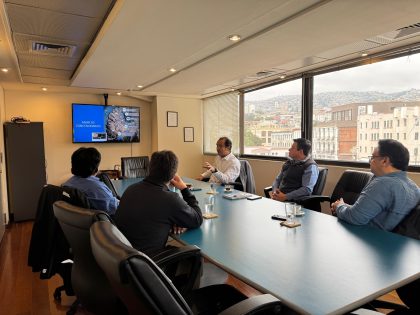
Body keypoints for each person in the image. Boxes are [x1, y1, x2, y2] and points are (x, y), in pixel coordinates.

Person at [115, 150, 203, 255]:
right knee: (195, 255)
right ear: (173, 175)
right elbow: (197, 219)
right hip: (147, 261)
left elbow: (153, 213)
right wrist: (184, 189)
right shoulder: (170, 199)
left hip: (124, 254)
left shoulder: (131, 189)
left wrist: (174, 219)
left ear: (150, 168)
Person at [331, 139, 420, 231]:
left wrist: (339, 206)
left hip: (368, 239)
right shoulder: (413, 187)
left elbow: (355, 218)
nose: (370, 161)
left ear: (384, 161)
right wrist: (345, 206)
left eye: (373, 157)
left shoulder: (384, 184)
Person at [63, 147, 119, 215]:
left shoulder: (67, 184)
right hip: (107, 223)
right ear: (95, 168)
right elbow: (115, 208)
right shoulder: (97, 188)